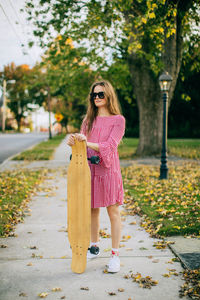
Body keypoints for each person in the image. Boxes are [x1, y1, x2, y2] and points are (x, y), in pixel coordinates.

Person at [67, 80, 125, 273]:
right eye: (94, 95)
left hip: (108, 171)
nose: (97, 98)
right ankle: (95, 247)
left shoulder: (119, 120)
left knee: (113, 212)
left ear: (109, 95)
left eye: (101, 94)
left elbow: (110, 146)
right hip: (89, 171)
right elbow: (80, 145)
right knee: (92, 211)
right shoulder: (87, 121)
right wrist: (73, 141)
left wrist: (88, 143)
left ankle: (115, 255)